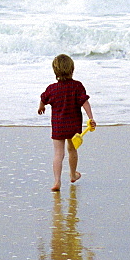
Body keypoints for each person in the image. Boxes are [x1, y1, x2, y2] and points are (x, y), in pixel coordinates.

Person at [38, 54, 95, 192]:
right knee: (72, 150)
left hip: (58, 125)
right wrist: (90, 118)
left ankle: (57, 181)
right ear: (72, 69)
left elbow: (43, 98)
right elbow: (85, 102)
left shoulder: (52, 88)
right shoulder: (77, 86)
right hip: (74, 125)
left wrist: (41, 107)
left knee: (58, 153)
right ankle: (73, 174)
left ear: (55, 71)